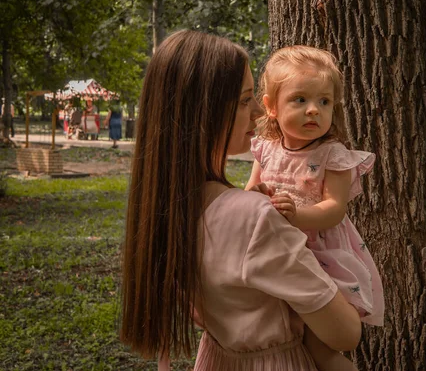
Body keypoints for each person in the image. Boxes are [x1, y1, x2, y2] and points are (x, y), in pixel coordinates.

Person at [120, 30, 361, 371]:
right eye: (246, 100)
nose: (256, 115)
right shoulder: (255, 219)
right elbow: (346, 334)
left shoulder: (168, 210)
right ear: (208, 112)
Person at [245, 46, 384, 370]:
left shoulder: (332, 155)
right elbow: (251, 189)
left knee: (319, 348)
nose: (313, 111)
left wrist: (297, 215)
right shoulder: (265, 148)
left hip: (318, 253)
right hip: (275, 249)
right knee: (283, 333)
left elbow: (335, 209)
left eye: (324, 102)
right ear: (271, 107)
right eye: (300, 100)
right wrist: (257, 194)